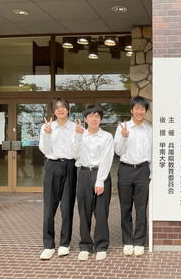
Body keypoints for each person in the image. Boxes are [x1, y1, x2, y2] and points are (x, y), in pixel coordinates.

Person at [73, 105, 114, 261]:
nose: (94, 119)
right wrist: (77, 138)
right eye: (91, 116)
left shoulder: (106, 137)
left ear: (101, 119)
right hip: (83, 174)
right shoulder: (79, 134)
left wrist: (100, 180)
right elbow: (75, 155)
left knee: (101, 212)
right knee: (84, 212)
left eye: (97, 116)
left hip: (100, 174)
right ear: (85, 119)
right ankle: (85, 245)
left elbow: (107, 159)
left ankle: (101, 246)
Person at [38, 98, 77, 260]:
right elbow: (44, 150)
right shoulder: (47, 127)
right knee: (49, 207)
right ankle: (48, 245)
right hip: (52, 166)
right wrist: (47, 135)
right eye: (57, 107)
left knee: (67, 207)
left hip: (70, 166)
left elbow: (77, 151)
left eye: (63, 107)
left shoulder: (75, 127)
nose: (60, 110)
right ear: (53, 111)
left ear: (68, 110)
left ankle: (64, 244)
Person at [114, 96, 152, 256]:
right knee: (125, 207)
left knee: (141, 208)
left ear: (145, 111)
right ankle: (128, 241)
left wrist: (152, 173)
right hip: (125, 170)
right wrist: (123, 136)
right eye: (136, 108)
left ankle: (139, 242)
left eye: (142, 109)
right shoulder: (123, 127)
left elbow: (152, 152)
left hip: (143, 170)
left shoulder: (149, 129)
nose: (139, 111)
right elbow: (118, 151)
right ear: (131, 110)